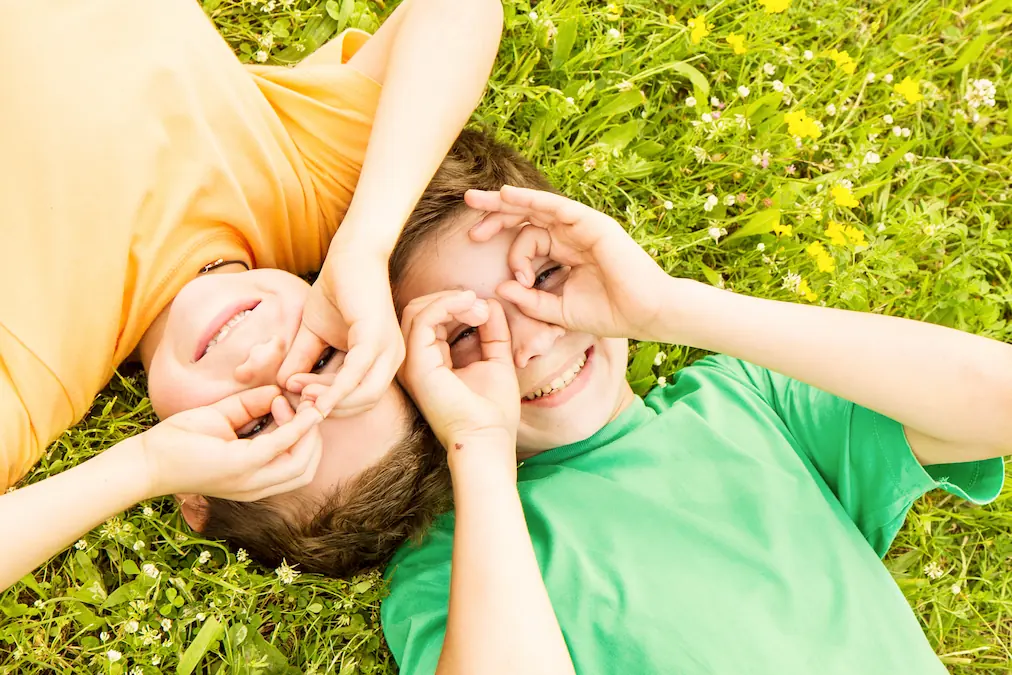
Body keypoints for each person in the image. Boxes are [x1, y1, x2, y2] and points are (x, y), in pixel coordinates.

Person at [377, 129, 1012, 674]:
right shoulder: (453, 565)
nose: (534, 339)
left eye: (545, 276)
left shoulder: (750, 400)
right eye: (464, 334)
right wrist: (478, 448)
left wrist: (667, 306)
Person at [0, 0, 502, 592]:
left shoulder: (32, 381)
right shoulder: (305, 193)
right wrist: (365, 244)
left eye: (254, 423)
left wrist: (144, 467)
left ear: (193, 491)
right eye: (319, 362)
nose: (263, 363)